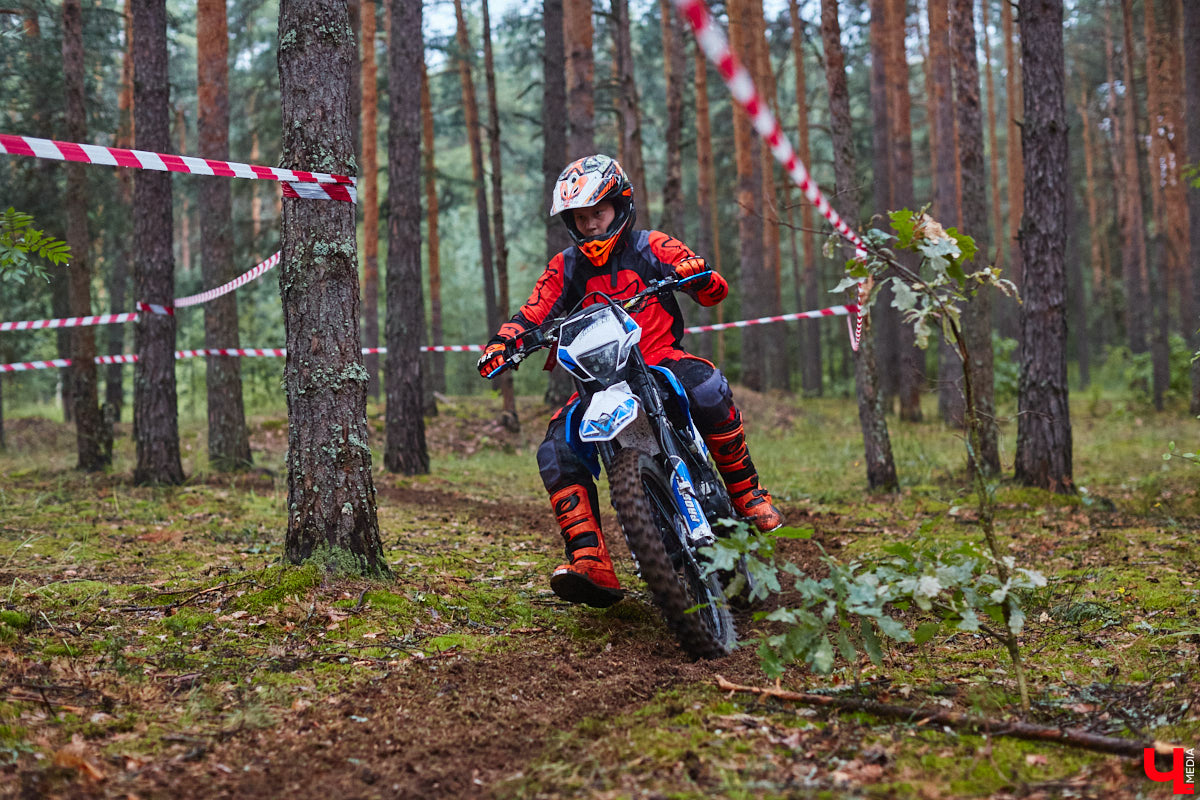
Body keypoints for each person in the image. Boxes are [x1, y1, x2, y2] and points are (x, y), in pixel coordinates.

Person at [477, 154, 784, 609]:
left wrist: (693, 273)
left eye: (597, 213)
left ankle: (745, 492)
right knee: (556, 448)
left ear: (619, 206)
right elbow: (534, 310)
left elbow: (711, 286)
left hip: (659, 360)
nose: (591, 226)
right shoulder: (565, 266)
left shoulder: (649, 245)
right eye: (580, 219)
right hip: (599, 382)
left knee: (707, 387)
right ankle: (590, 559)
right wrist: (505, 340)